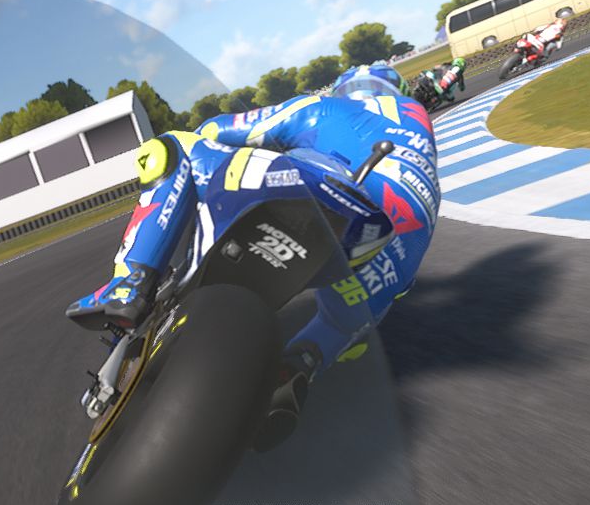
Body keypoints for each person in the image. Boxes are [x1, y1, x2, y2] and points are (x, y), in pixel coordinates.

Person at [66, 62, 440, 432]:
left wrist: (212, 145)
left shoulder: (328, 108)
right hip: (385, 260)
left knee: (172, 147)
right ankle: (296, 368)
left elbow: (219, 129)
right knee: (344, 329)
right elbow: (402, 286)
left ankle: (130, 281)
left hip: (319, 195)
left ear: (348, 89)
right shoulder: (424, 154)